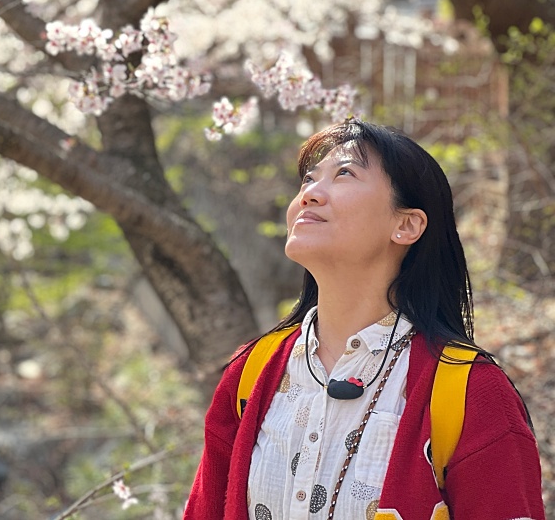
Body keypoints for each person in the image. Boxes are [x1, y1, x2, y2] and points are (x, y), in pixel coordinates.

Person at [183, 120, 545, 520]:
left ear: (406, 225)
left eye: (344, 174)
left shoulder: (471, 391)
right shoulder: (250, 372)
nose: (309, 195)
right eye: (307, 179)